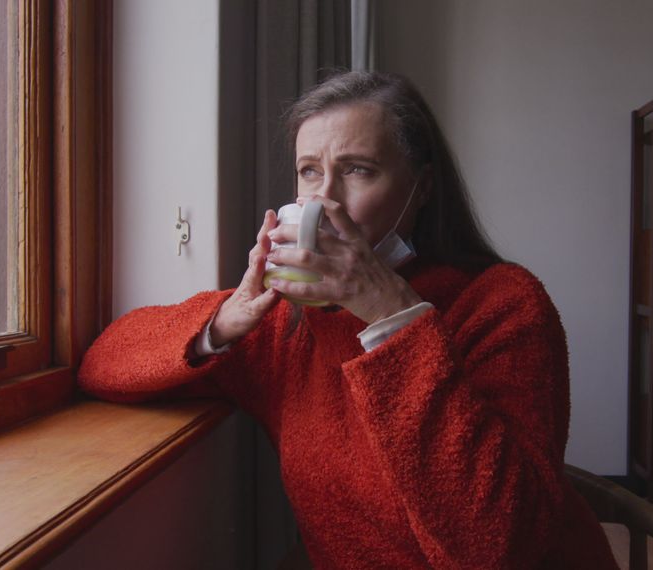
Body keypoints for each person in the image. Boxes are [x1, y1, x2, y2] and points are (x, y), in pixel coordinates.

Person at [78, 70, 616, 569]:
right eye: (309, 172)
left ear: (422, 187)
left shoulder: (503, 303)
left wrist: (391, 316)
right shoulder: (286, 324)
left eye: (358, 170)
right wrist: (226, 319)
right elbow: (103, 362)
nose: (324, 199)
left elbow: (496, 548)